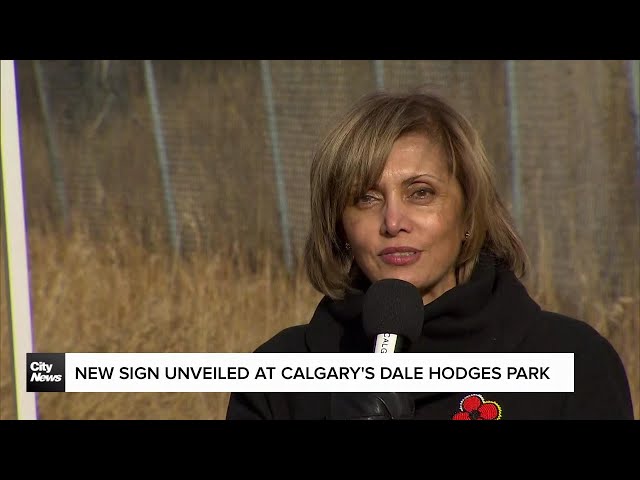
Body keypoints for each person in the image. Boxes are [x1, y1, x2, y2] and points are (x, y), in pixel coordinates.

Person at [225, 88, 635, 420]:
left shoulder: (573, 364)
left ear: (469, 213)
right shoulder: (279, 378)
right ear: (340, 227)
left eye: (421, 193)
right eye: (365, 198)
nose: (393, 221)